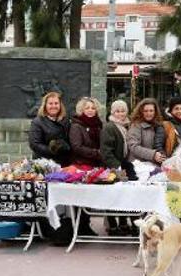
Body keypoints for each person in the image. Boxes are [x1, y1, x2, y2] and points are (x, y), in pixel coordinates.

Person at [101, 100, 134, 236]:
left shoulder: (127, 126)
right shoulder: (109, 127)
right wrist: (118, 168)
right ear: (112, 112)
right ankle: (112, 224)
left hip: (124, 166)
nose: (120, 114)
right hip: (113, 167)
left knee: (125, 195)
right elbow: (106, 151)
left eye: (123, 111)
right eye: (117, 111)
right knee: (112, 196)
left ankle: (123, 222)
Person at [28, 92, 71, 166]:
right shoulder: (37, 122)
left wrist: (66, 147)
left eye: (56, 103)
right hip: (44, 163)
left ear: (60, 105)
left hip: (64, 163)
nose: (53, 106)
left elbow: (70, 140)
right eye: (50, 103)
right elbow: (34, 144)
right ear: (45, 105)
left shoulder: (66, 120)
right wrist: (53, 150)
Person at [127, 98, 166, 165]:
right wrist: (153, 154)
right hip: (138, 165)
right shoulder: (136, 125)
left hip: (153, 165)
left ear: (155, 112)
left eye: (151, 111)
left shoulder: (158, 125)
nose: (149, 113)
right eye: (145, 111)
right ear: (141, 112)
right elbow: (133, 146)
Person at [69, 97, 104, 168]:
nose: (90, 110)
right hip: (81, 164)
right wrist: (96, 153)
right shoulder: (76, 126)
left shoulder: (98, 125)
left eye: (93, 108)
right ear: (82, 110)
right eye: (87, 108)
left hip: (97, 164)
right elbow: (77, 147)